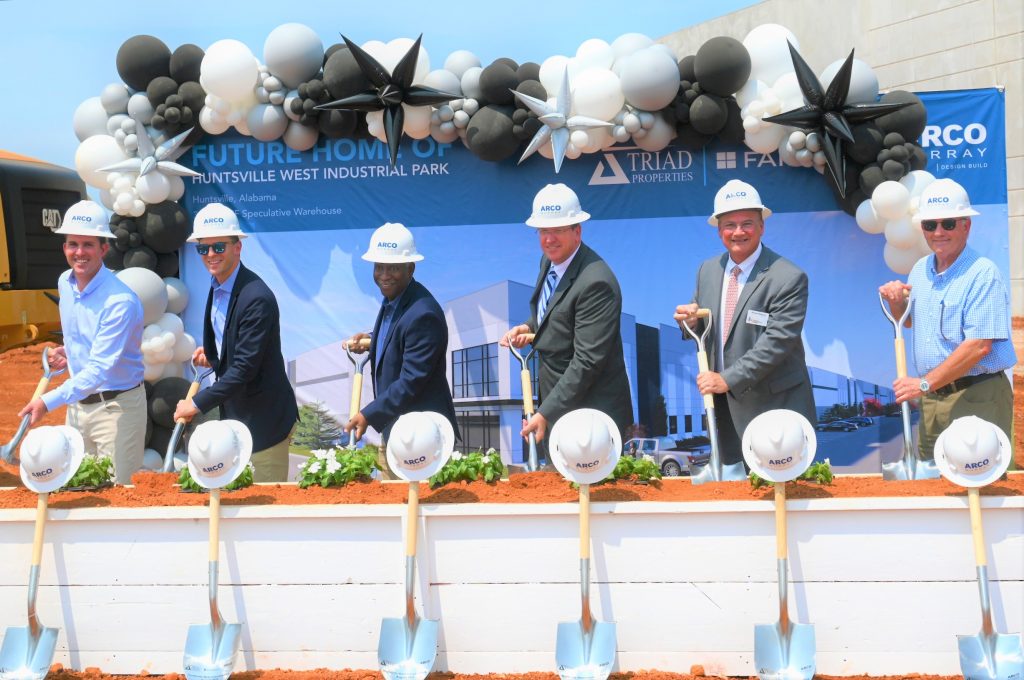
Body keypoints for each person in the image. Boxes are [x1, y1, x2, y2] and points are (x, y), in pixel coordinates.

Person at [673, 179, 816, 467]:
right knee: (733, 499)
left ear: (762, 226)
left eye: (747, 223)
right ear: (719, 230)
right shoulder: (708, 270)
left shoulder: (788, 276)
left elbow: (777, 343)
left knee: (783, 496)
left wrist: (727, 379)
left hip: (775, 408)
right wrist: (690, 321)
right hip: (724, 408)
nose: (738, 232)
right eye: (729, 224)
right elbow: (705, 327)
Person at [879, 178, 1016, 461]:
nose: (938, 232)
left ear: (966, 225)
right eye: (930, 225)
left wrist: (925, 384)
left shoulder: (982, 274)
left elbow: (979, 346)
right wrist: (897, 304)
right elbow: (907, 322)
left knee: (982, 482)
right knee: (937, 486)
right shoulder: (919, 270)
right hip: (933, 400)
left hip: (976, 396)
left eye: (948, 224)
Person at [18, 200, 146, 484]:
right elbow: (84, 341)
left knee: (117, 497)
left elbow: (100, 369)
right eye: (72, 244)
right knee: (80, 490)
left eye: (88, 244)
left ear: (104, 248)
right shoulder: (65, 282)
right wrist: (71, 354)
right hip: (78, 406)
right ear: (64, 247)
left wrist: (47, 401)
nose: (79, 252)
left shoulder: (120, 302)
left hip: (116, 410)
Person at [173, 203, 298, 482]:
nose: (210, 255)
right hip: (237, 416)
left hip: (264, 422)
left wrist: (196, 403)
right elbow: (233, 342)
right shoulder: (219, 286)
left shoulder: (256, 297)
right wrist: (216, 355)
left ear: (237, 247)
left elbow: (244, 368)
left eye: (219, 247)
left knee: (266, 509)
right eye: (203, 249)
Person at [500, 183, 633, 445]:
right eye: (543, 231)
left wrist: (546, 412)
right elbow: (554, 312)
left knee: (592, 486)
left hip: (590, 412)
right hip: (561, 403)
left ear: (577, 231)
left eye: (558, 230)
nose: (549, 239)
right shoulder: (550, 261)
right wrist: (530, 327)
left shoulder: (597, 283)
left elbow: (586, 362)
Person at [344, 222, 459, 479]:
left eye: (393, 267)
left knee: (423, 512)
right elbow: (400, 338)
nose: (384, 275)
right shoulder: (396, 300)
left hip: (423, 438)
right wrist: (373, 340)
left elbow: (411, 381)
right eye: (379, 266)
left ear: (410, 268)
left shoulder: (424, 314)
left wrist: (368, 414)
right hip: (400, 429)